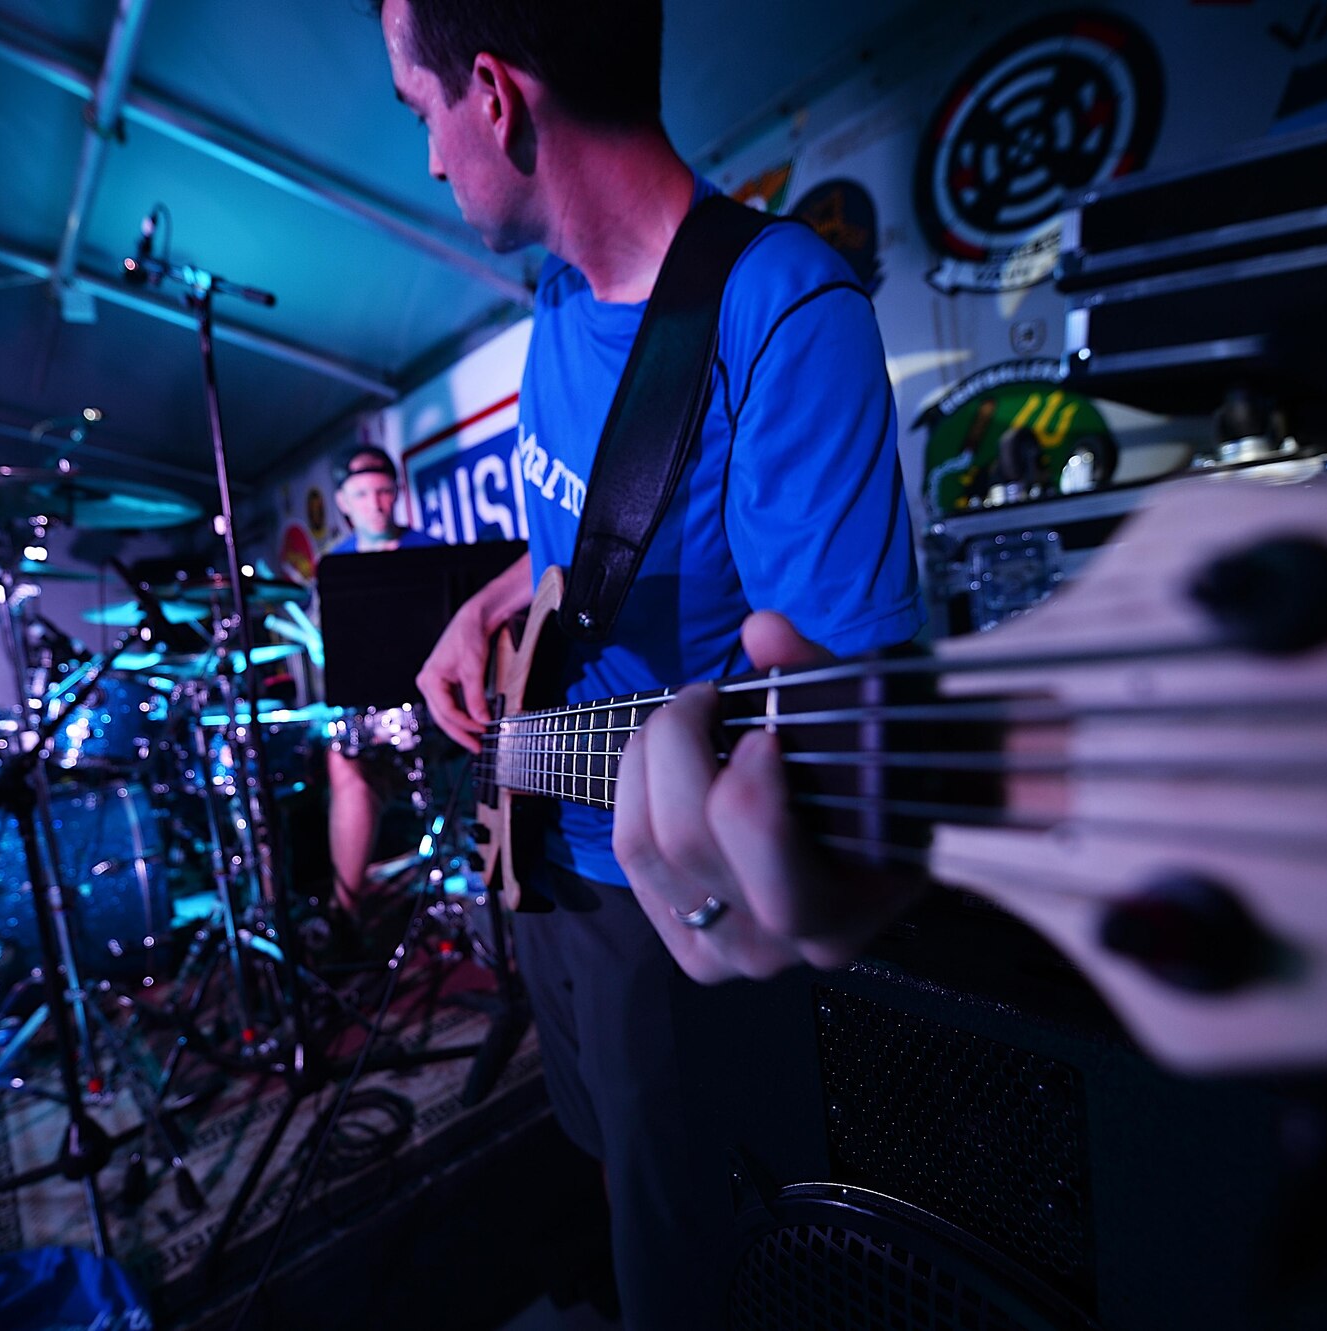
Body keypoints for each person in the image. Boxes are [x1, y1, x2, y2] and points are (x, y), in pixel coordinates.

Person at [382, 1, 926, 1324]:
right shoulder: (561, 297)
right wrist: (491, 601)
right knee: (602, 1160)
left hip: (665, 908)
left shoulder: (783, 312)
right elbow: (586, 529)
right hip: (547, 869)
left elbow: (859, 751)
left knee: (691, 1270)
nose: (433, 162)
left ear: (496, 99)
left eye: (423, 114)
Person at [320, 445, 441, 914]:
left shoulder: (429, 553)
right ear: (344, 501)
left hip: (434, 704)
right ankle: (344, 911)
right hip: (375, 714)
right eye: (364, 493)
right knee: (342, 760)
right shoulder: (337, 566)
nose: (376, 503)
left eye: (385, 491)